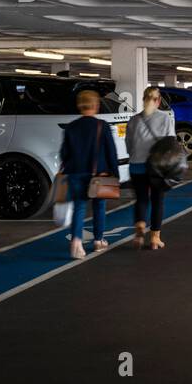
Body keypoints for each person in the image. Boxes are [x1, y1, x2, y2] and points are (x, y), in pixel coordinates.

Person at [58, 88, 119, 260]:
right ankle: (98, 241)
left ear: (80, 105)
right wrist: (115, 173)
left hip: (76, 173)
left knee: (79, 207)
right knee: (99, 207)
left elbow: (64, 153)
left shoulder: (70, 127)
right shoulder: (102, 126)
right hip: (99, 174)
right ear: (96, 105)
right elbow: (111, 151)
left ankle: (76, 243)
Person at [125, 85, 175, 250]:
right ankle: (155, 238)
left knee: (141, 200)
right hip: (157, 168)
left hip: (136, 166)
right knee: (157, 201)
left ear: (144, 100)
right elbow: (170, 144)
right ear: (158, 101)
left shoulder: (134, 120)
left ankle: (140, 225)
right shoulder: (165, 118)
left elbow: (129, 145)